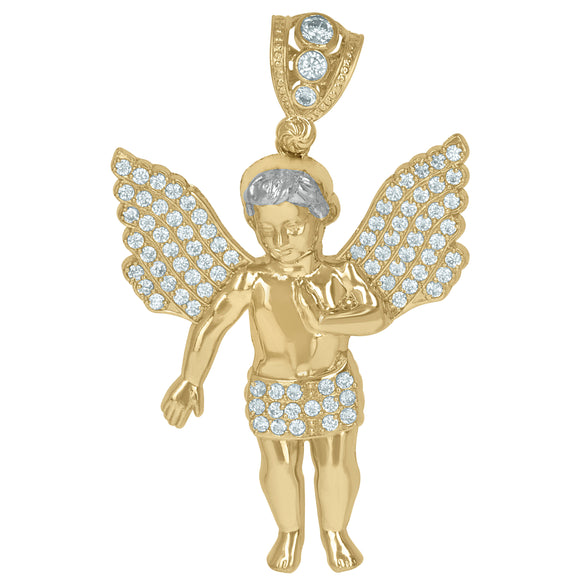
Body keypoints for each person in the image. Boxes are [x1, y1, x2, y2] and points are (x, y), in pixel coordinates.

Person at [160, 153, 390, 572]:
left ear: (323, 217)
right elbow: (212, 324)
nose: (279, 241)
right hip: (273, 389)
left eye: (293, 228)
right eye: (266, 231)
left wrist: (326, 321)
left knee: (336, 464)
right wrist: (190, 379)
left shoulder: (341, 274)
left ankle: (335, 532)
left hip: (331, 383)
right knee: (279, 466)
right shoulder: (253, 279)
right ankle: (289, 532)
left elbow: (376, 316)